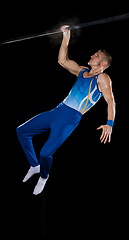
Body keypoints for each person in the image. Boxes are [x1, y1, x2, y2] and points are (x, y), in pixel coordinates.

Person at [16, 25, 116, 195]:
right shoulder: (82, 71)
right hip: (58, 110)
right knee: (22, 131)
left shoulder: (103, 78)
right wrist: (66, 37)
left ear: (103, 63)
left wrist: (110, 123)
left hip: (70, 119)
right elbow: (62, 61)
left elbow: (111, 101)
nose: (92, 55)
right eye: (94, 54)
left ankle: (43, 176)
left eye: (97, 55)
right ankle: (35, 166)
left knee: (46, 153)